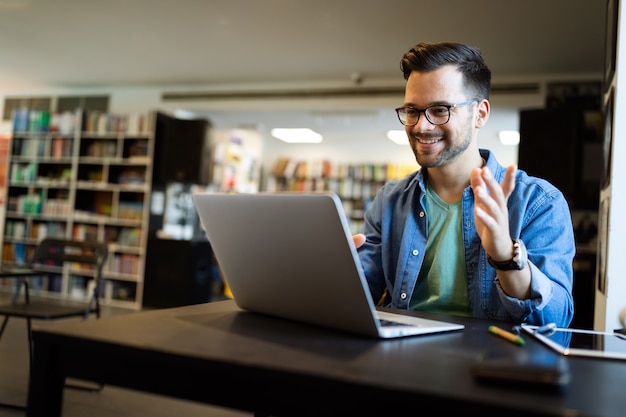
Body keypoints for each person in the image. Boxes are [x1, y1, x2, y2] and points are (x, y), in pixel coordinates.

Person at [353, 42, 575, 327]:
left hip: (493, 363)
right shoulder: (389, 201)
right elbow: (359, 296)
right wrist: (333, 271)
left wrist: (505, 256)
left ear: (480, 114)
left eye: (440, 110)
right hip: (401, 360)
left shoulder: (539, 202)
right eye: (413, 110)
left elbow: (557, 319)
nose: (422, 126)